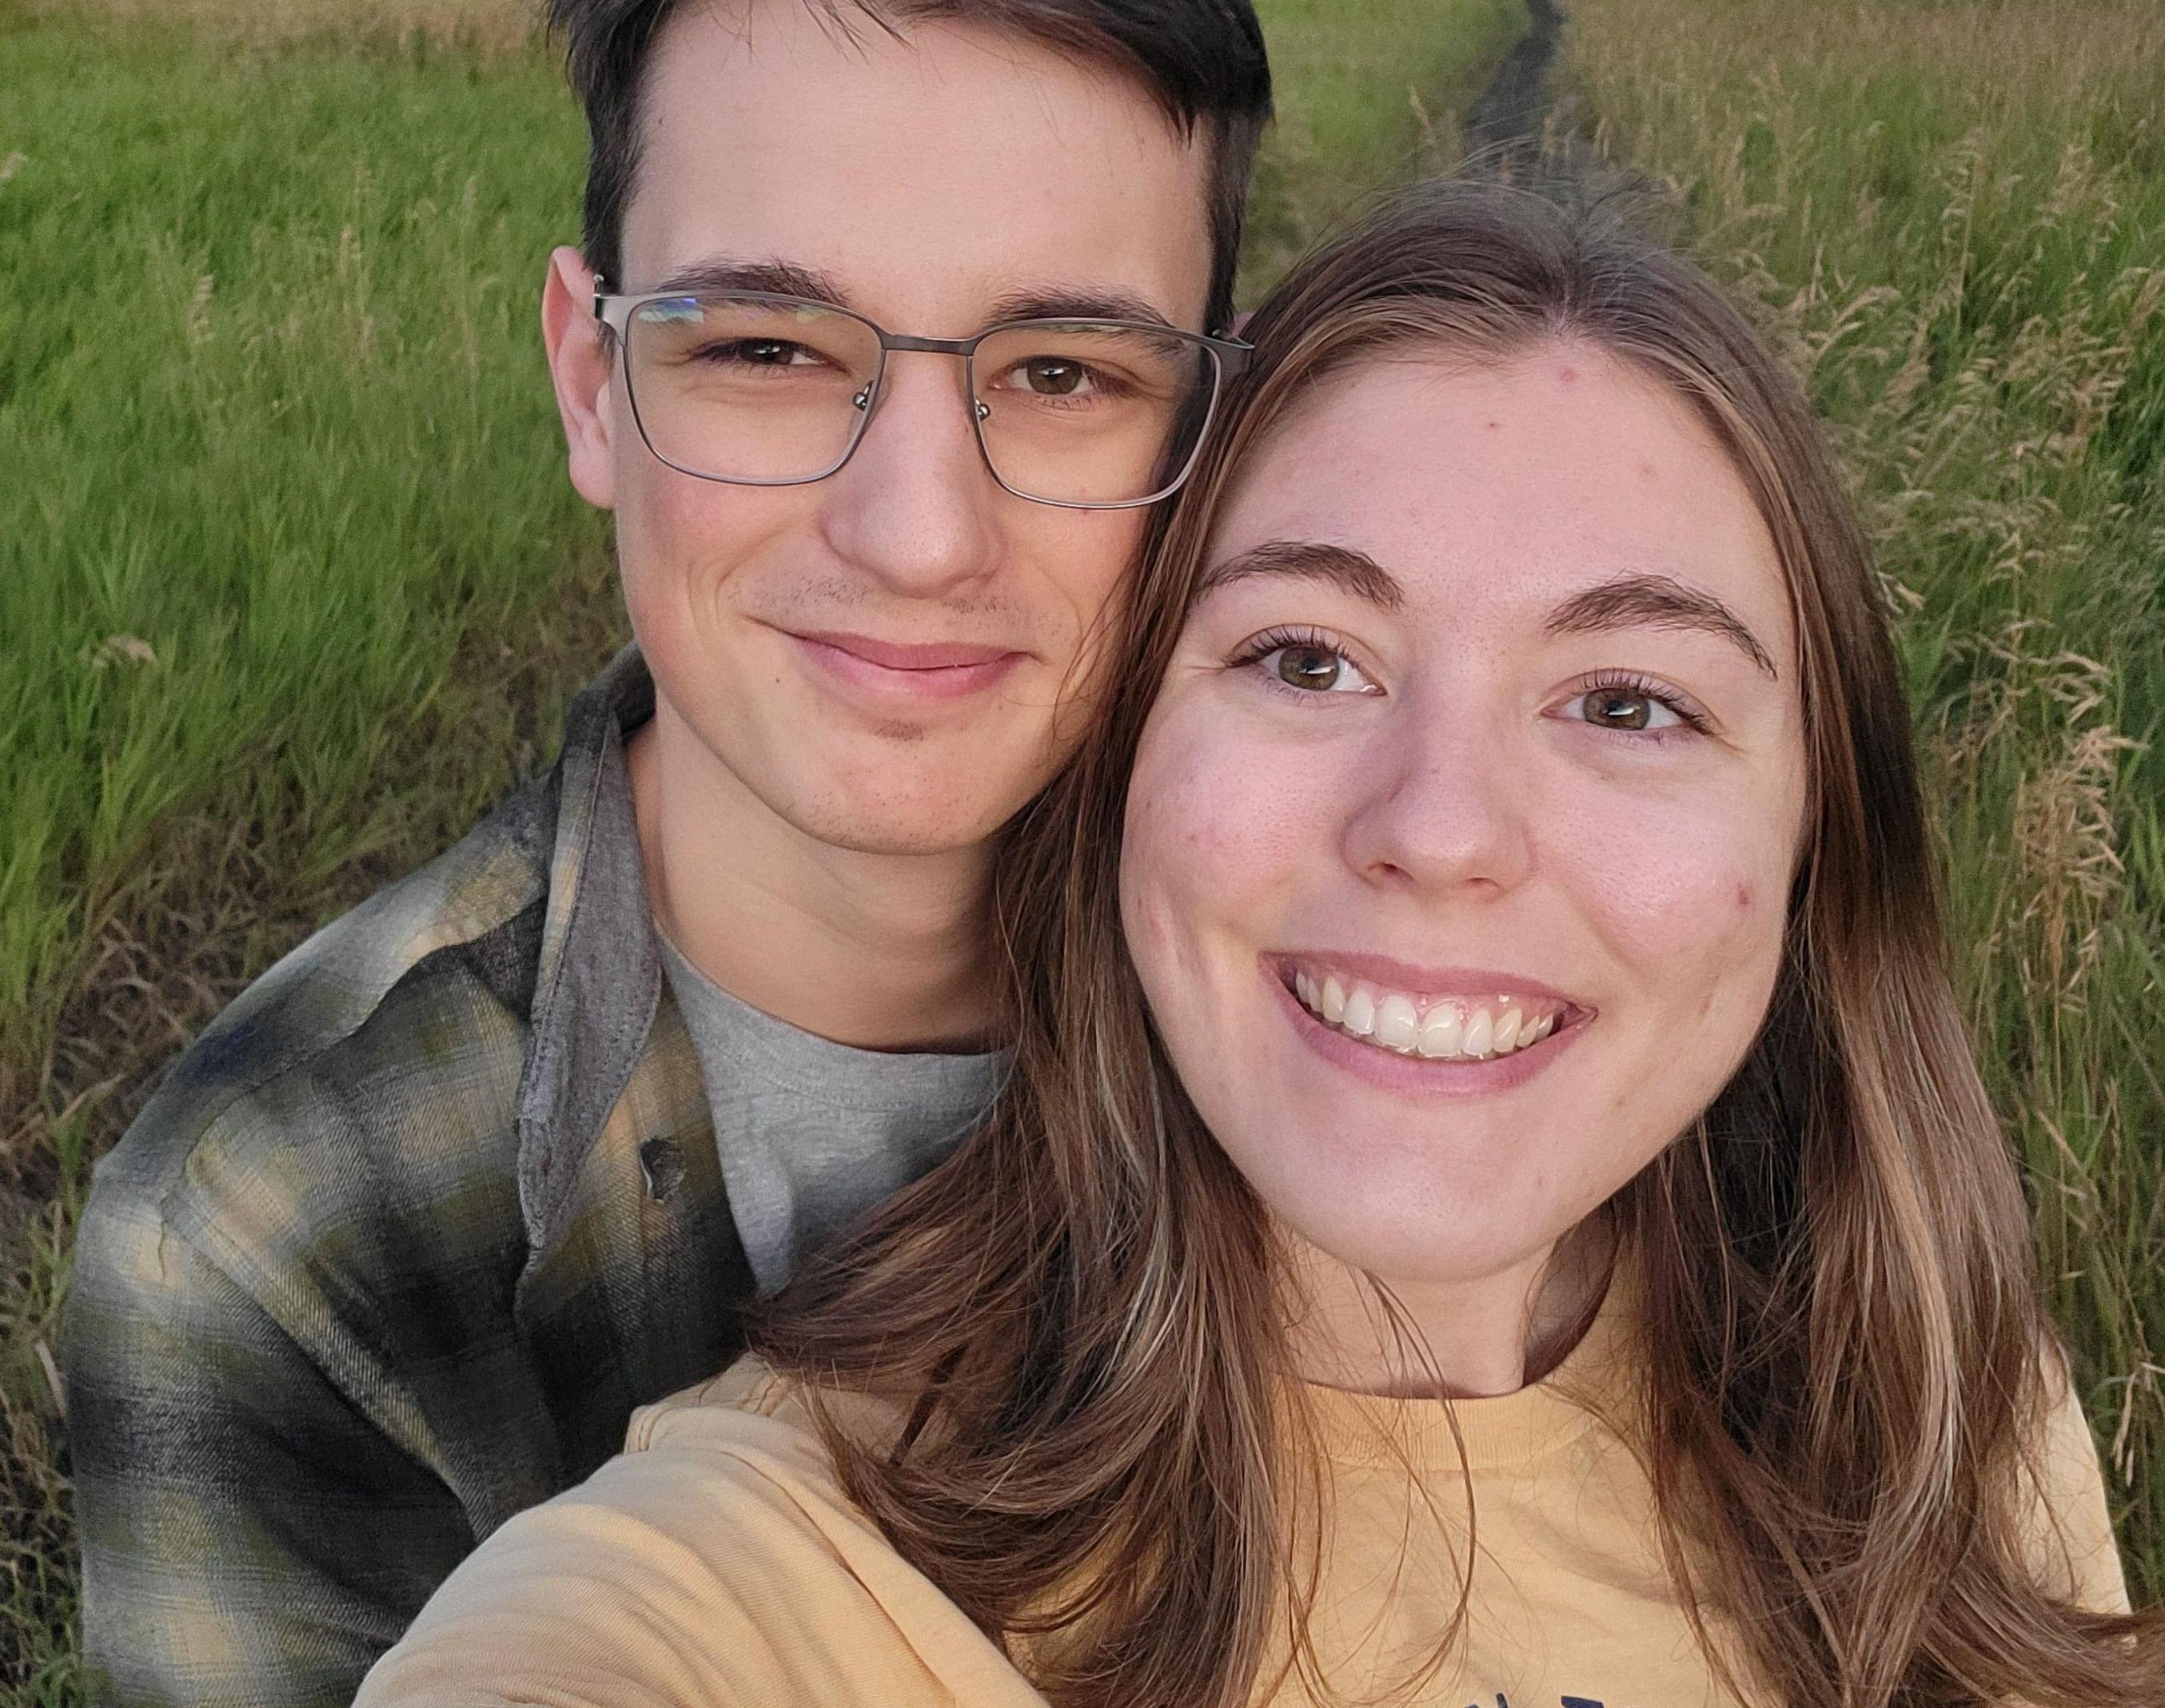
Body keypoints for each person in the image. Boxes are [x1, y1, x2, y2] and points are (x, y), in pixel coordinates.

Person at [361, 182, 2160, 1708]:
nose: (1439, 830)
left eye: (1627, 700)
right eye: (1304, 658)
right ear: (1126, 764)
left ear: (1811, 837)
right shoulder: (779, 1580)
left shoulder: (1931, 1399)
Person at [62, 0, 1270, 1708]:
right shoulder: (277, 1223)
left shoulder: (1397, 994)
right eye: (773, 350)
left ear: (1210, 420)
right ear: (591, 380)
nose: (918, 535)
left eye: (1062, 373)